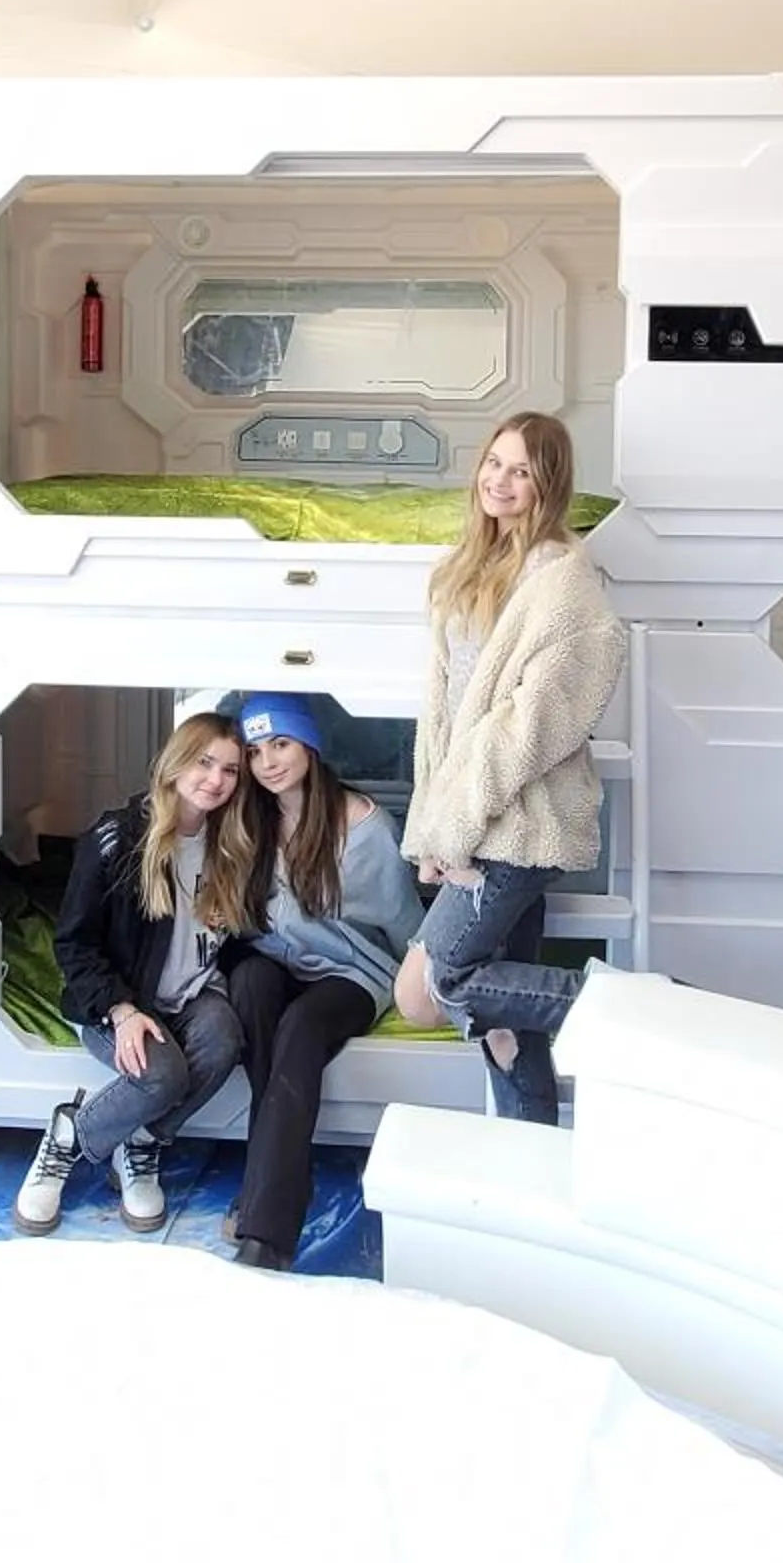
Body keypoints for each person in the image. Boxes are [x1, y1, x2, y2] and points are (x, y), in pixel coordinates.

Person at [394, 411, 626, 1125]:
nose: (500, 480)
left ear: (547, 482)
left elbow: (529, 728)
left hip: (518, 826)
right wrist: (429, 829)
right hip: (470, 818)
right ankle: (535, 1159)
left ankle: (631, 1009)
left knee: (429, 990)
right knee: (504, 1028)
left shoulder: (565, 584)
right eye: (494, 462)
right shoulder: (464, 570)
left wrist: (453, 828)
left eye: (520, 469)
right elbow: (441, 721)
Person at [16, 712, 259, 1236]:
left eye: (231, 770)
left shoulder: (233, 845)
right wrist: (120, 1010)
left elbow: (237, 941)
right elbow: (74, 943)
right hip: (120, 999)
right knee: (162, 1075)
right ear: (175, 763)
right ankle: (66, 1139)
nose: (215, 780)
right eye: (204, 762)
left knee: (223, 1040)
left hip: (193, 996)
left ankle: (139, 1144)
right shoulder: (117, 838)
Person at [220, 691, 425, 1271]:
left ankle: (267, 1233)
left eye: (280, 744)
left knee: (302, 1026)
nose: (268, 763)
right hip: (273, 959)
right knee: (253, 991)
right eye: (256, 751)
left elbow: (405, 923)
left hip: (351, 970)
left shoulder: (365, 827)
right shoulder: (247, 815)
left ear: (308, 743)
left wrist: (432, 988)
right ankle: (274, 1178)